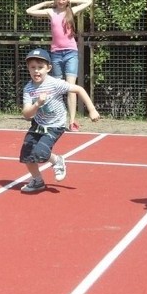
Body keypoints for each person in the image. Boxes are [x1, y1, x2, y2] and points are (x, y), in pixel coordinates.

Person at [19, 48, 100, 193]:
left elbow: (79, 89)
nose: (36, 71)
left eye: (40, 67)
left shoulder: (55, 83)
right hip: (38, 124)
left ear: (48, 68)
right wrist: (37, 104)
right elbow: (26, 114)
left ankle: (57, 161)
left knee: (40, 152)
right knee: (27, 155)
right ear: (28, 68)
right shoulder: (28, 89)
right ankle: (37, 181)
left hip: (55, 125)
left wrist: (92, 109)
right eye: (33, 67)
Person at [26, 0, 93, 131]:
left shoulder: (71, 11)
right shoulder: (51, 12)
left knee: (71, 88)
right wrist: (46, 3)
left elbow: (89, 1)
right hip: (56, 54)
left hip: (71, 53)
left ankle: (72, 121)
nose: (61, 1)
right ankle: (57, 118)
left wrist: (72, 1)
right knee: (55, 87)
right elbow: (29, 11)